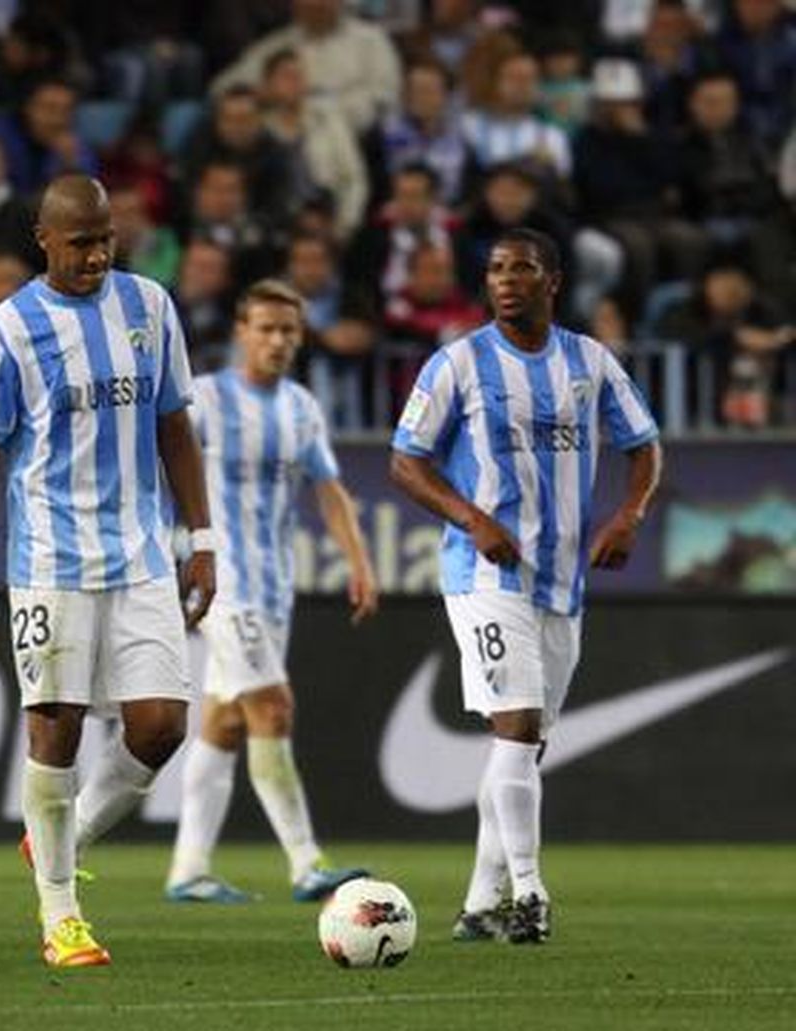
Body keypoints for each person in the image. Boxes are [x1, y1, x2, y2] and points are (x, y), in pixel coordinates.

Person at [0, 174, 216, 968]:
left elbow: (174, 428)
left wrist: (202, 538)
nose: (98, 254)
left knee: (162, 725)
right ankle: (61, 915)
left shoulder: (150, 308)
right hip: (50, 562)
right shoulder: (3, 333)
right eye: (81, 242)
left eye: (106, 238)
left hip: (140, 554)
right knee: (55, 725)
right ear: (44, 239)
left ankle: (60, 835)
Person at [390, 228, 663, 945]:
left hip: (562, 581)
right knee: (516, 725)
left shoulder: (589, 361)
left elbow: (644, 444)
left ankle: (480, 902)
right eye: (496, 269)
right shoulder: (459, 363)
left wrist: (630, 514)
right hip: (484, 575)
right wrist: (472, 516)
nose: (507, 279)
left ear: (553, 281)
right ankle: (530, 893)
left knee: (523, 746)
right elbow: (406, 461)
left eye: (523, 269)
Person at [164, 279, 379, 905]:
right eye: (267, 328)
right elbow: (163, 471)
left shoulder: (302, 408)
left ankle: (189, 870)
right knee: (274, 707)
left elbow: (329, 489)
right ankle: (307, 863)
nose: (279, 341)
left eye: (289, 331)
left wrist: (360, 561)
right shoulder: (203, 400)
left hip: (274, 586)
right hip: (222, 583)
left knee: (226, 723)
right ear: (242, 331)